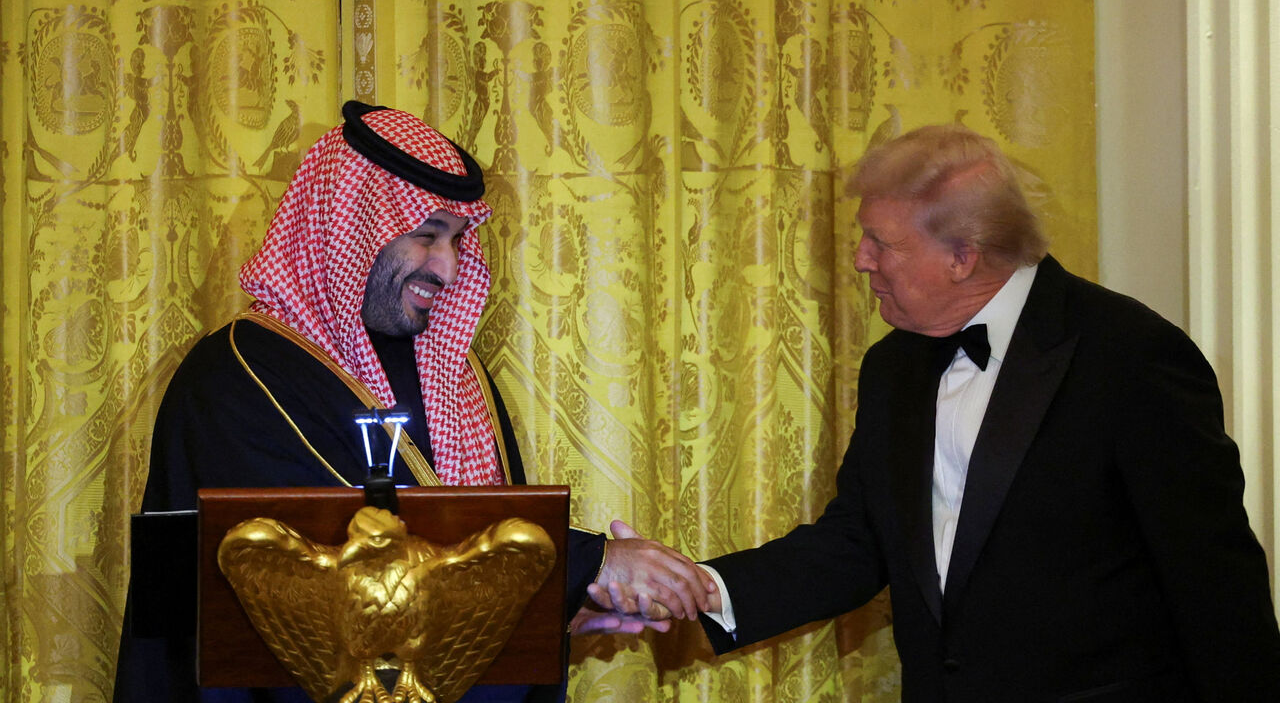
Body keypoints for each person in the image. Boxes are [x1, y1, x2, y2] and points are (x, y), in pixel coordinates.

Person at [114, 101, 713, 703]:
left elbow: (449, 573)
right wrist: (587, 564)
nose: (448, 267)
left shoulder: (458, 376)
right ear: (349, 227)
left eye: (457, 240)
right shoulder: (239, 374)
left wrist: (545, 615)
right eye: (426, 235)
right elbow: (333, 561)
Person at [679, 125, 1280, 701]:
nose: (861, 261)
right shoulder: (894, 366)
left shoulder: (1129, 355)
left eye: (880, 243)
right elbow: (859, 543)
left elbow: (1212, 579)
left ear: (962, 257)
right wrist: (702, 589)